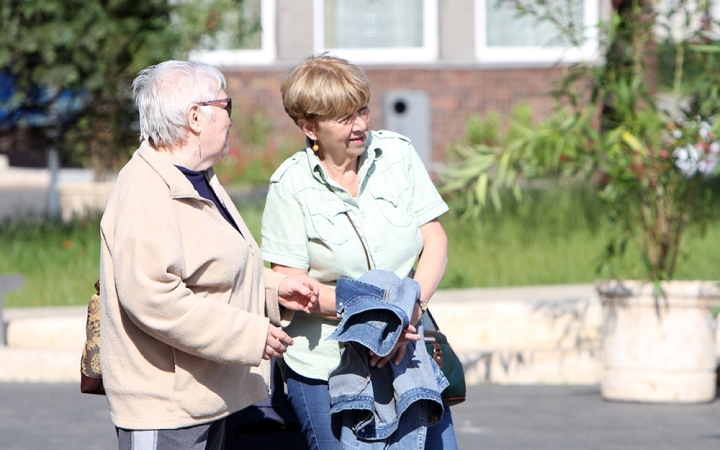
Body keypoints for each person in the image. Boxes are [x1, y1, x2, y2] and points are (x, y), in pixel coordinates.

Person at [99, 60, 318, 450]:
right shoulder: (147, 190)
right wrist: (248, 334)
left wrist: (273, 289)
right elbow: (153, 297)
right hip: (164, 408)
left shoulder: (196, 177)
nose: (232, 120)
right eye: (226, 106)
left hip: (203, 398)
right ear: (195, 117)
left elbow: (210, 269)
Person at [261, 54, 458, 449]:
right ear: (307, 125)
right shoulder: (289, 185)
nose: (361, 125)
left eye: (363, 109)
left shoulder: (398, 155)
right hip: (325, 365)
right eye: (344, 118)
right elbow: (294, 288)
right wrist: (380, 322)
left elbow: (435, 240)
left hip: (408, 340)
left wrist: (407, 313)